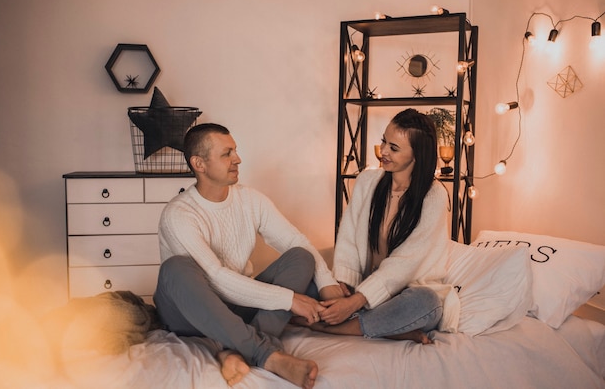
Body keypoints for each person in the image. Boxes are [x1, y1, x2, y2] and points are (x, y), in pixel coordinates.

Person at [153, 123, 344, 388]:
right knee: (175, 268)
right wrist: (288, 300)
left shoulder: (250, 199)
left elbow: (294, 241)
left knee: (301, 256)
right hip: (190, 312)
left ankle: (232, 350)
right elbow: (215, 278)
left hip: (238, 306)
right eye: (227, 153)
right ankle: (267, 354)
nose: (237, 159)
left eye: (235, 151)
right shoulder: (179, 214)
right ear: (199, 163)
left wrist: (327, 284)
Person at [301, 108, 459, 344]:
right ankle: (389, 328)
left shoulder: (434, 195)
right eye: (384, 141)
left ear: (417, 155)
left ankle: (336, 327)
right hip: (363, 286)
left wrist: (354, 303)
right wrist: (343, 286)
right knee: (305, 276)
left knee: (426, 303)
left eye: (394, 148)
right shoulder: (367, 180)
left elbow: (406, 263)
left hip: (404, 291)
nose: (383, 151)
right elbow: (348, 237)